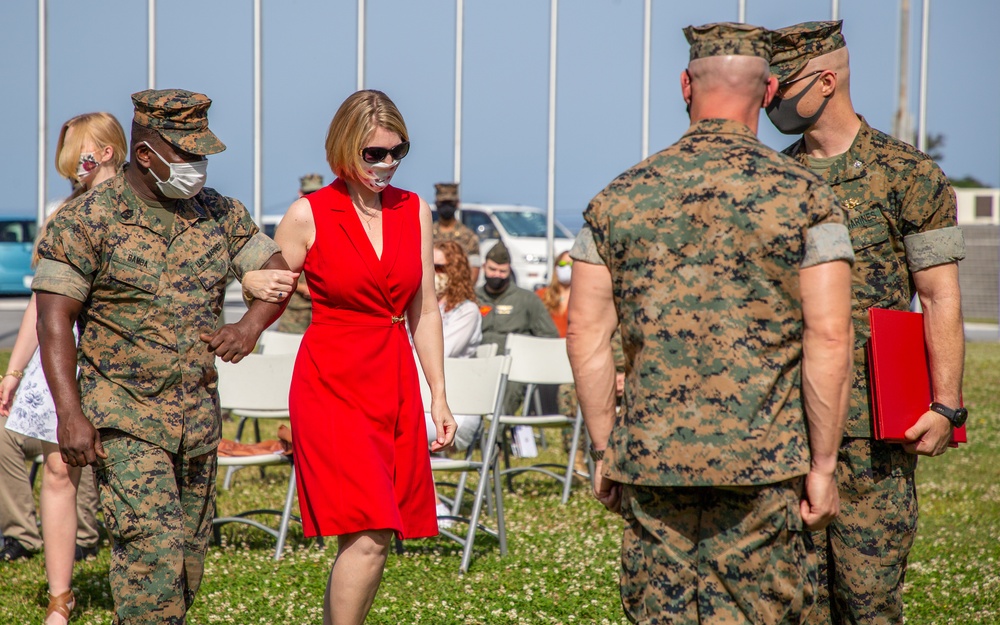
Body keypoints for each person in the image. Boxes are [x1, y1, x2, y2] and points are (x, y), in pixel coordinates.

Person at [566, 22, 855, 624]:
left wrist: (603, 448)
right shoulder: (807, 198)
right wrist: (824, 467)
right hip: (764, 466)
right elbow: (829, 335)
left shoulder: (616, 199)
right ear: (771, 88)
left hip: (652, 464)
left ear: (684, 86)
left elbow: (585, 335)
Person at [32, 89, 289, 625]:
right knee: (151, 558)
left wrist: (248, 325)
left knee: (186, 566)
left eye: (202, 155)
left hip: (196, 420)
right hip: (124, 416)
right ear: (145, 155)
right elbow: (53, 318)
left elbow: (280, 271)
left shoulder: (219, 213)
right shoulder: (88, 221)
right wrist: (69, 413)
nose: (198, 166)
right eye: (186, 154)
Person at [767, 21, 967, 624]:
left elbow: (938, 295)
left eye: (783, 87)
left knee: (868, 604)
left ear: (826, 82)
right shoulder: (774, 181)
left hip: (875, 432)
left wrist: (947, 404)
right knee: (792, 605)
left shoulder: (908, 175)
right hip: (787, 424)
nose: (770, 99)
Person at [242, 89, 456, 625]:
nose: (387, 165)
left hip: (395, 380)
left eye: (397, 151)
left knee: (375, 535)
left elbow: (425, 310)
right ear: (343, 148)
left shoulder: (416, 209)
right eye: (373, 154)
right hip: (331, 383)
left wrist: (440, 396)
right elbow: (270, 290)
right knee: (369, 532)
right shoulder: (307, 213)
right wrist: (247, 279)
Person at [0, 112, 126, 624]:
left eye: (81, 151)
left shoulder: (139, 211)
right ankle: (60, 598)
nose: (73, 163)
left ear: (107, 151)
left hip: (119, 358)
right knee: (58, 467)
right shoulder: (62, 215)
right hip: (62, 354)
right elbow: (40, 303)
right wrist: (12, 373)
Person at [476, 240, 559, 354]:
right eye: (492, 269)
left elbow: (549, 335)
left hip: (514, 361)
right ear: (484, 267)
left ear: (510, 270)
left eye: (502, 271)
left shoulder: (527, 299)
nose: (497, 275)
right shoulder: (472, 298)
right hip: (479, 361)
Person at [274, 174, 324, 334]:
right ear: (300, 193)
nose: (312, 198)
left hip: (323, 307)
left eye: (316, 193)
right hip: (295, 308)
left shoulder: (331, 224)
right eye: (308, 194)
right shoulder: (289, 224)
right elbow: (279, 268)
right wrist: (302, 287)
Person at [432, 182, 481, 283]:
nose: (446, 207)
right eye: (443, 203)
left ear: (457, 204)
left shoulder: (468, 236)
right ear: (436, 204)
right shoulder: (427, 234)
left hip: (459, 290)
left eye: (450, 203)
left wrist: (466, 293)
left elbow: (474, 267)